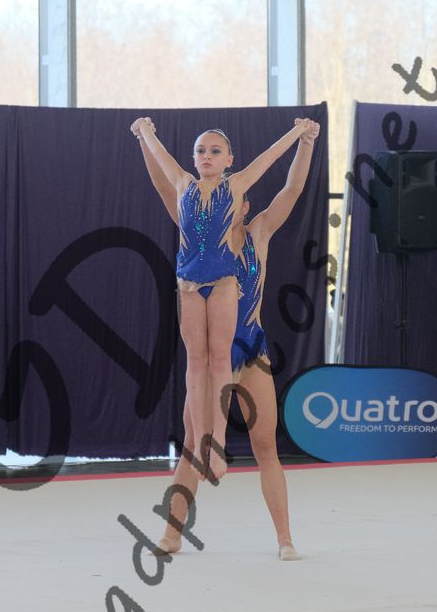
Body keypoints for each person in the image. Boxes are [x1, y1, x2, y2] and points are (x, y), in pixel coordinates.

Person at [135, 118, 320, 559]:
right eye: (203, 152)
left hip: (250, 353)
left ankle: (285, 538)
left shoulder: (259, 235)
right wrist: (144, 138)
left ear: (244, 204)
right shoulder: (193, 223)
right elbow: (162, 183)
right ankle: (172, 533)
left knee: (265, 445)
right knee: (191, 446)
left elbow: (292, 190)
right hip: (209, 351)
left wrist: (306, 143)